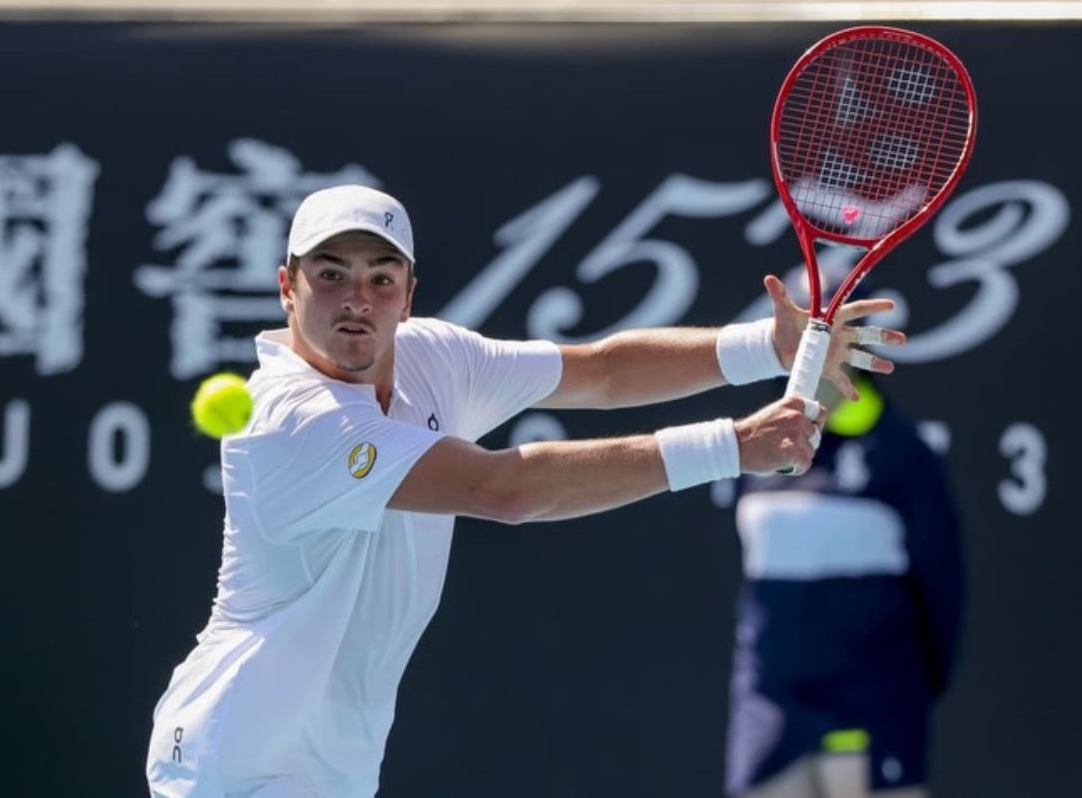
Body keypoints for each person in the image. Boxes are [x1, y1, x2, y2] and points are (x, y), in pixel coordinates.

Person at [145, 184, 904, 798]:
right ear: (288, 287)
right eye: (331, 273)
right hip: (232, 762)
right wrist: (729, 446)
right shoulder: (293, 420)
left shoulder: (433, 357)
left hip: (333, 769)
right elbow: (502, 488)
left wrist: (763, 346)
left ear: (408, 296)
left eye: (381, 278)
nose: (356, 298)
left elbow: (600, 371)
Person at [724, 366, 965, 798]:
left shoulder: (901, 451)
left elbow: (943, 585)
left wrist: (909, 693)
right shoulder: (761, 448)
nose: (815, 349)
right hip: (770, 705)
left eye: (834, 334)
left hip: (871, 704)